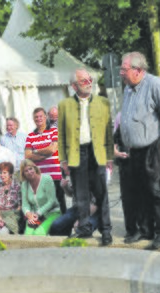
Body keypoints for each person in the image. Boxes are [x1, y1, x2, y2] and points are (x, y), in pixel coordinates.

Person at [119, 52, 160, 250]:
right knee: (139, 191)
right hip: (134, 150)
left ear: (138, 70)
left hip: (155, 146)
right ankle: (144, 229)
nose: (121, 73)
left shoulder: (156, 85)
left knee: (158, 190)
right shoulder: (128, 89)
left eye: (124, 69)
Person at [58, 69, 114, 245]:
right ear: (74, 86)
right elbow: (61, 136)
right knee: (80, 195)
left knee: (101, 194)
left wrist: (110, 157)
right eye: (84, 81)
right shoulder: (64, 105)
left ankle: (106, 230)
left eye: (89, 79)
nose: (89, 82)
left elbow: (108, 132)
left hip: (97, 153)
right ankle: (84, 228)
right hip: (76, 153)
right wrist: (63, 160)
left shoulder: (103, 103)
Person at [26, 107, 66, 214]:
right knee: (46, 208)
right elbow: (27, 156)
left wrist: (35, 151)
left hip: (55, 176)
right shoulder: (30, 136)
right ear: (33, 119)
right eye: (36, 117)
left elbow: (53, 149)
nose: (38, 119)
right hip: (40, 179)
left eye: (41, 116)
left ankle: (65, 230)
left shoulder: (54, 131)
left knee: (60, 205)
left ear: (45, 117)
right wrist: (45, 154)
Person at [20, 159, 60, 236]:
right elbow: (25, 204)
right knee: (28, 234)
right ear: (23, 174)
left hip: (52, 213)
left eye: (30, 169)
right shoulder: (24, 184)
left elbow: (51, 201)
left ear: (35, 168)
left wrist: (38, 213)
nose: (29, 172)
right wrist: (29, 214)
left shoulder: (46, 179)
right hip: (35, 216)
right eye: (26, 171)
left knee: (39, 233)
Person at [0, 161, 21, 235]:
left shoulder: (17, 186)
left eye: (4, 173)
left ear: (10, 174)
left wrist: (9, 217)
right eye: (0, 173)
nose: (2, 175)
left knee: (4, 232)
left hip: (12, 215)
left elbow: (20, 206)